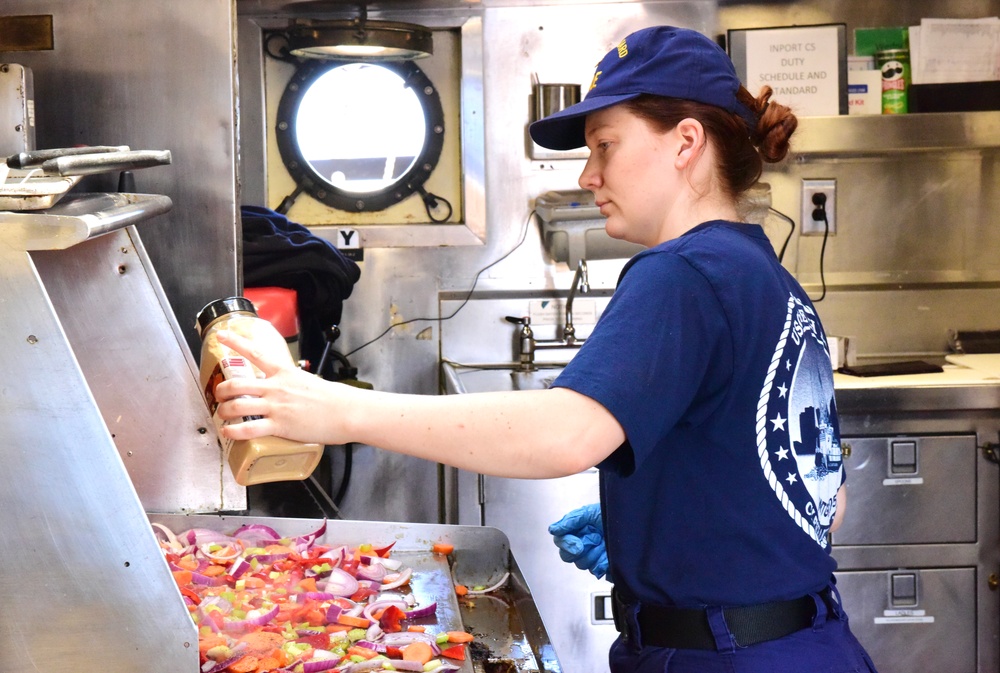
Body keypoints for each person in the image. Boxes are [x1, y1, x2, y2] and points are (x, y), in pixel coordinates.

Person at [214, 25, 877, 673]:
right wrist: (663, 529)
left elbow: (566, 433)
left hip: (729, 657)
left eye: (605, 146)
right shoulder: (772, 280)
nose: (589, 174)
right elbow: (824, 497)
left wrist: (335, 409)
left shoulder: (683, 271)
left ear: (685, 143)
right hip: (810, 643)